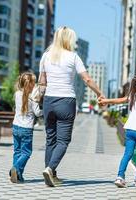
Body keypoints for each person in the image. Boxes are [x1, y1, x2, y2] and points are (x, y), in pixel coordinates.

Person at [38, 26, 104, 187]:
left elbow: (41, 82)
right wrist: (99, 93)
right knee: (63, 141)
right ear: (69, 40)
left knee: (50, 139)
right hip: (66, 102)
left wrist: (40, 100)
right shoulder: (73, 57)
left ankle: (51, 174)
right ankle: (50, 169)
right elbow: (87, 79)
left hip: (49, 101)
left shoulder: (46, 56)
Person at [98, 74, 136, 187]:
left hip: (130, 129)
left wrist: (105, 100)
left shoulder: (133, 96)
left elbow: (119, 100)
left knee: (127, 154)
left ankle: (120, 177)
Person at [10, 72, 42, 183]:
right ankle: (16, 168)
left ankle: (18, 175)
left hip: (16, 126)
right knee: (26, 153)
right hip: (27, 129)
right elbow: (37, 113)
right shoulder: (33, 98)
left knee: (17, 151)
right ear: (31, 84)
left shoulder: (17, 94)